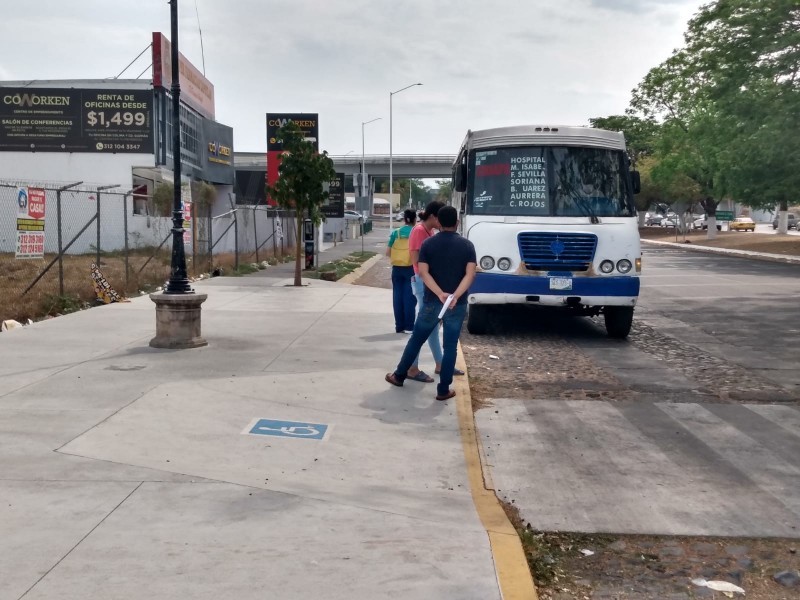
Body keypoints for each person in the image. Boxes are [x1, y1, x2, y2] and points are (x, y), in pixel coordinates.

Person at [385, 205, 477, 401]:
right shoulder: (467, 246)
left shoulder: (428, 244)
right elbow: (470, 274)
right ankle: (443, 390)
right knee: (450, 346)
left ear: (439, 222)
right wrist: (454, 296)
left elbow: (423, 272)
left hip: (431, 302)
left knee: (416, 339)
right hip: (457, 305)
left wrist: (440, 294)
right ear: (457, 223)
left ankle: (399, 375)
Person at [386, 209, 417, 333]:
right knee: (409, 297)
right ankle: (409, 326)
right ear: (415, 219)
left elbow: (388, 252)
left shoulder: (396, 233)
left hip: (396, 268)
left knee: (397, 296)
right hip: (410, 268)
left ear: (404, 219)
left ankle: (399, 326)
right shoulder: (415, 232)